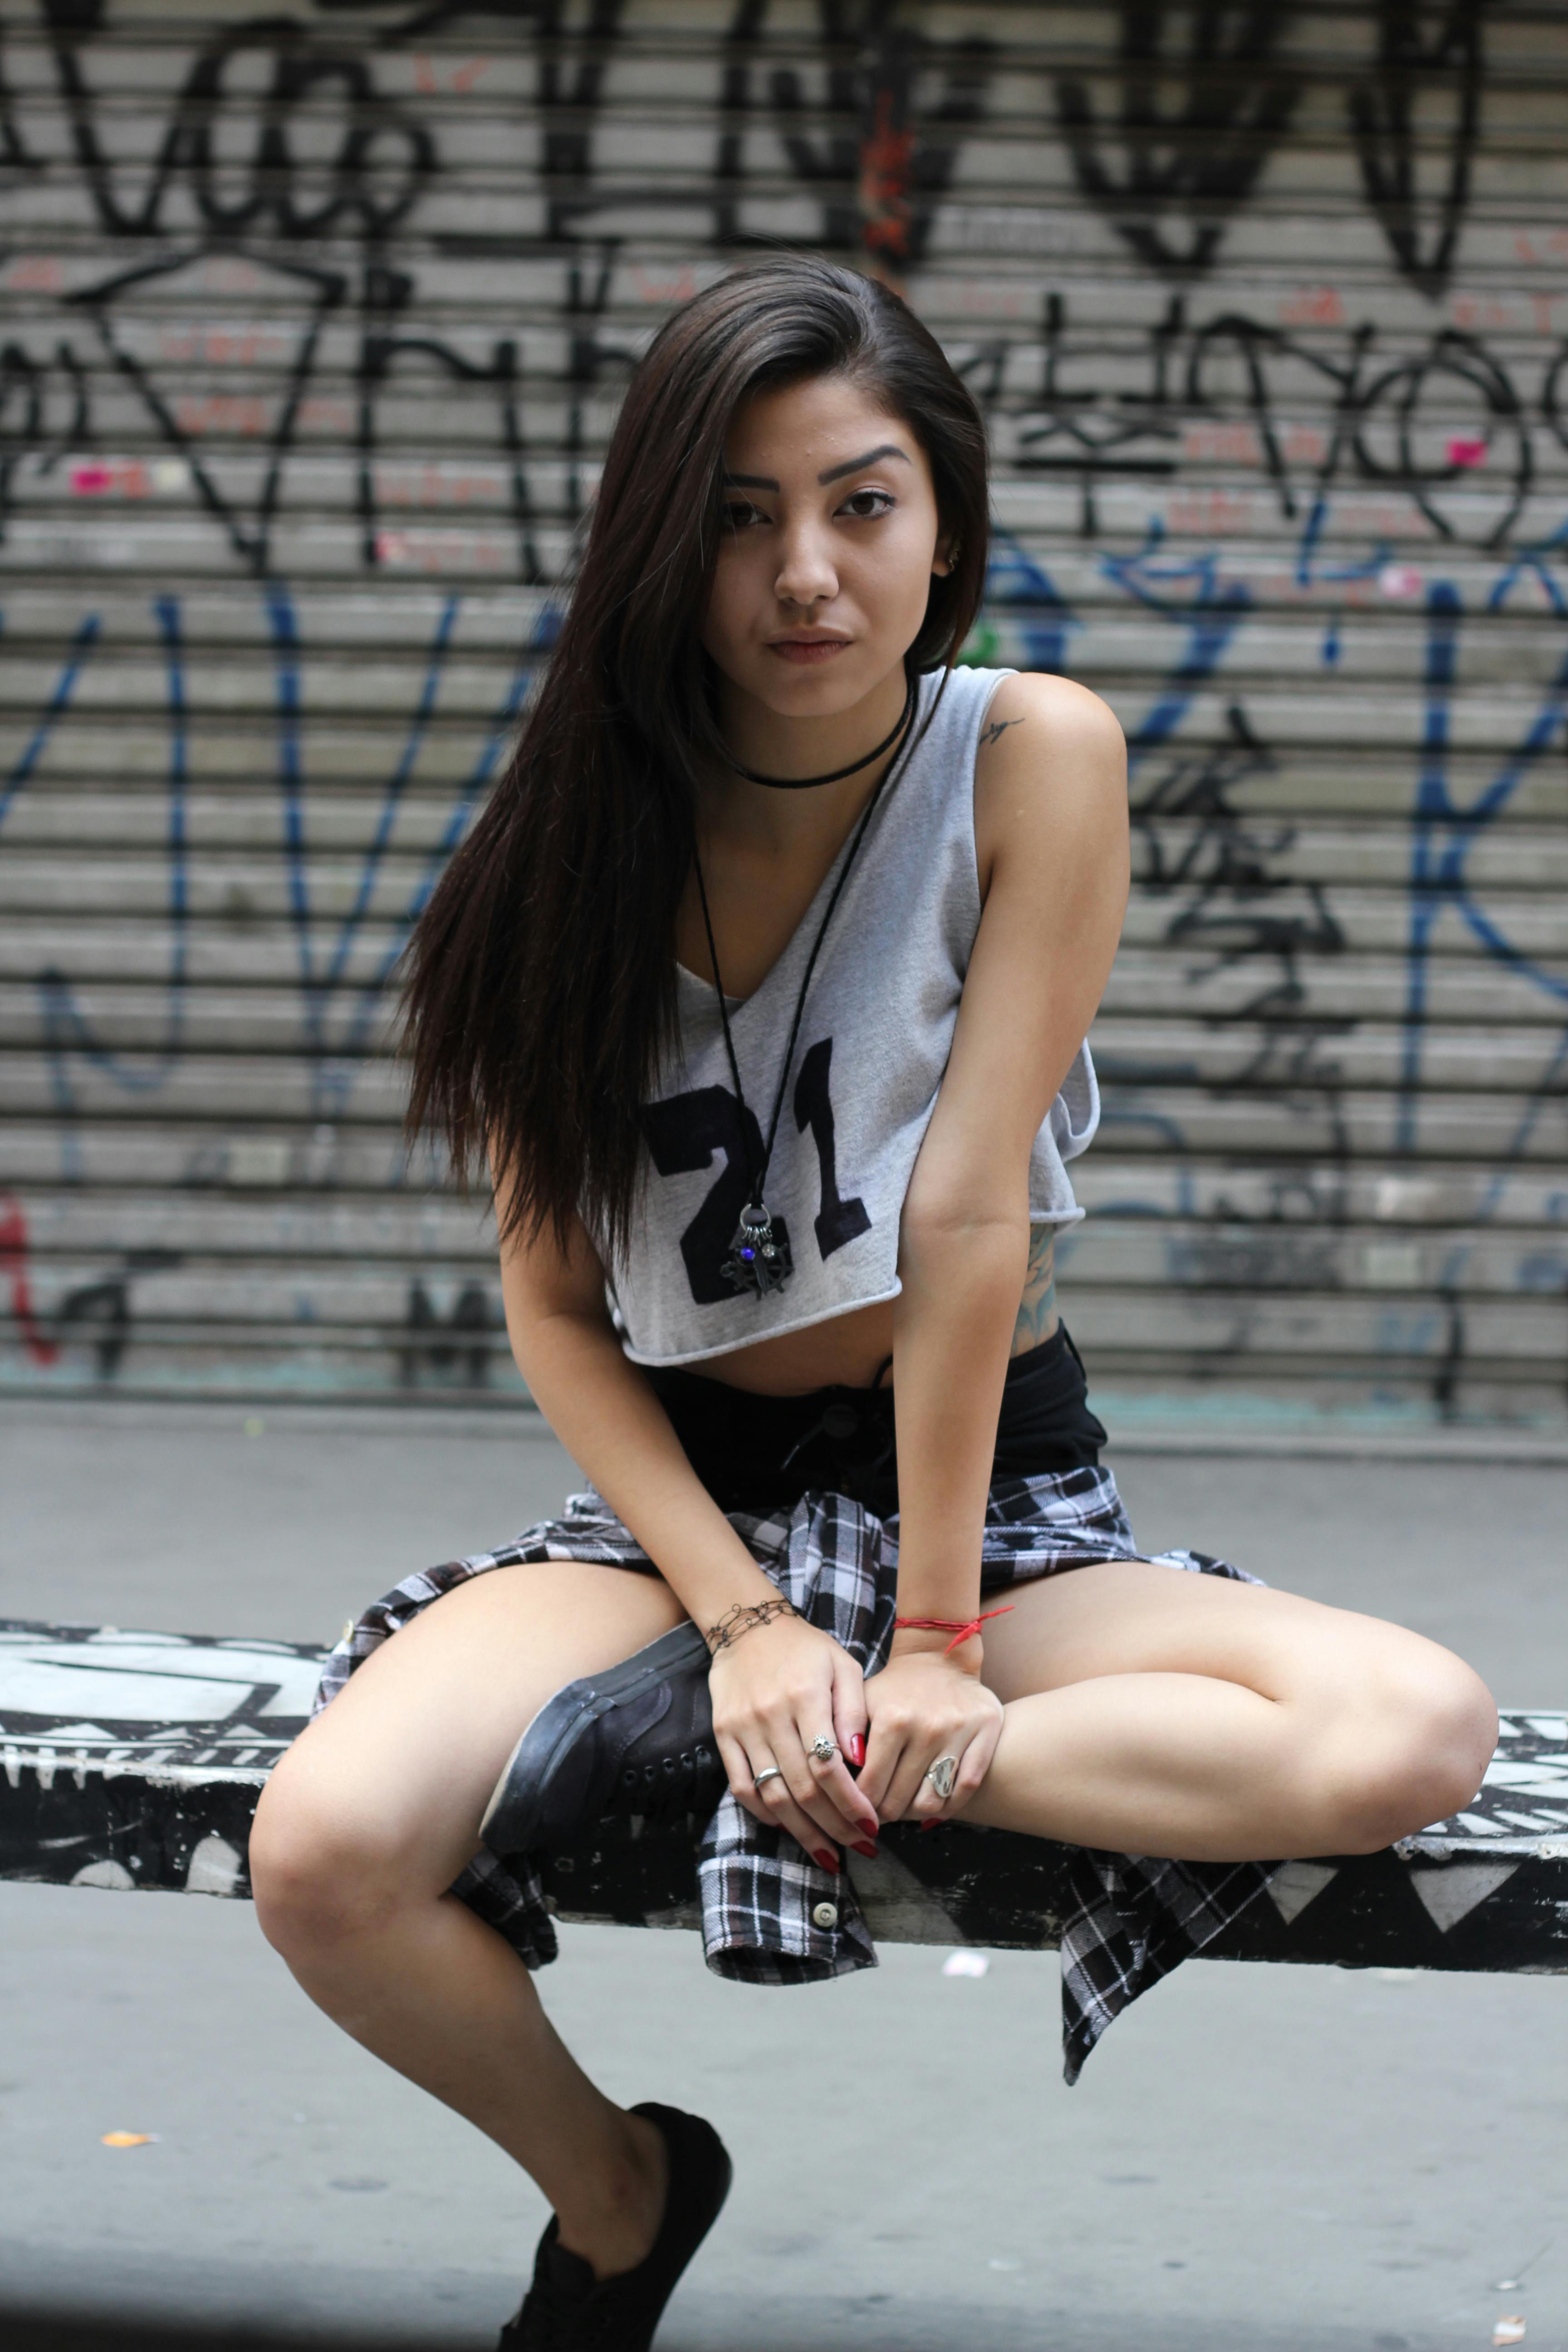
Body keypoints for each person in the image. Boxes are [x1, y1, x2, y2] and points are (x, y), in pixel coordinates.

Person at [248, 256, 1497, 2352]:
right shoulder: (570, 837)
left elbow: (968, 1217)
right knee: (326, 1857)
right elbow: (559, 1307)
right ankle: (622, 2193)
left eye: (863, 502)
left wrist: (924, 1652)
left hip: (979, 1487)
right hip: (689, 1517)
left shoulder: (1028, 757)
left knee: (1413, 1729)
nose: (807, 575)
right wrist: (741, 1620)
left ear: (946, 518)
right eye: (741, 515)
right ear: (664, 538)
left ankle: (828, 1757)